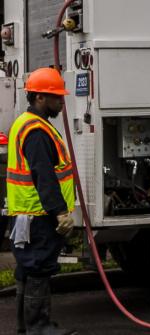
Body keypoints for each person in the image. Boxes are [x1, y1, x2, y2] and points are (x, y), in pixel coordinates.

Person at [6, 67, 77, 334]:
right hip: (39, 216)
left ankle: (26, 328)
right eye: (56, 97)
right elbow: (44, 176)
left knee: (28, 268)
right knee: (39, 268)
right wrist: (60, 213)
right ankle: (39, 328)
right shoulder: (36, 131)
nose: (61, 101)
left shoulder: (25, 123)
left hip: (26, 214)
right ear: (39, 98)